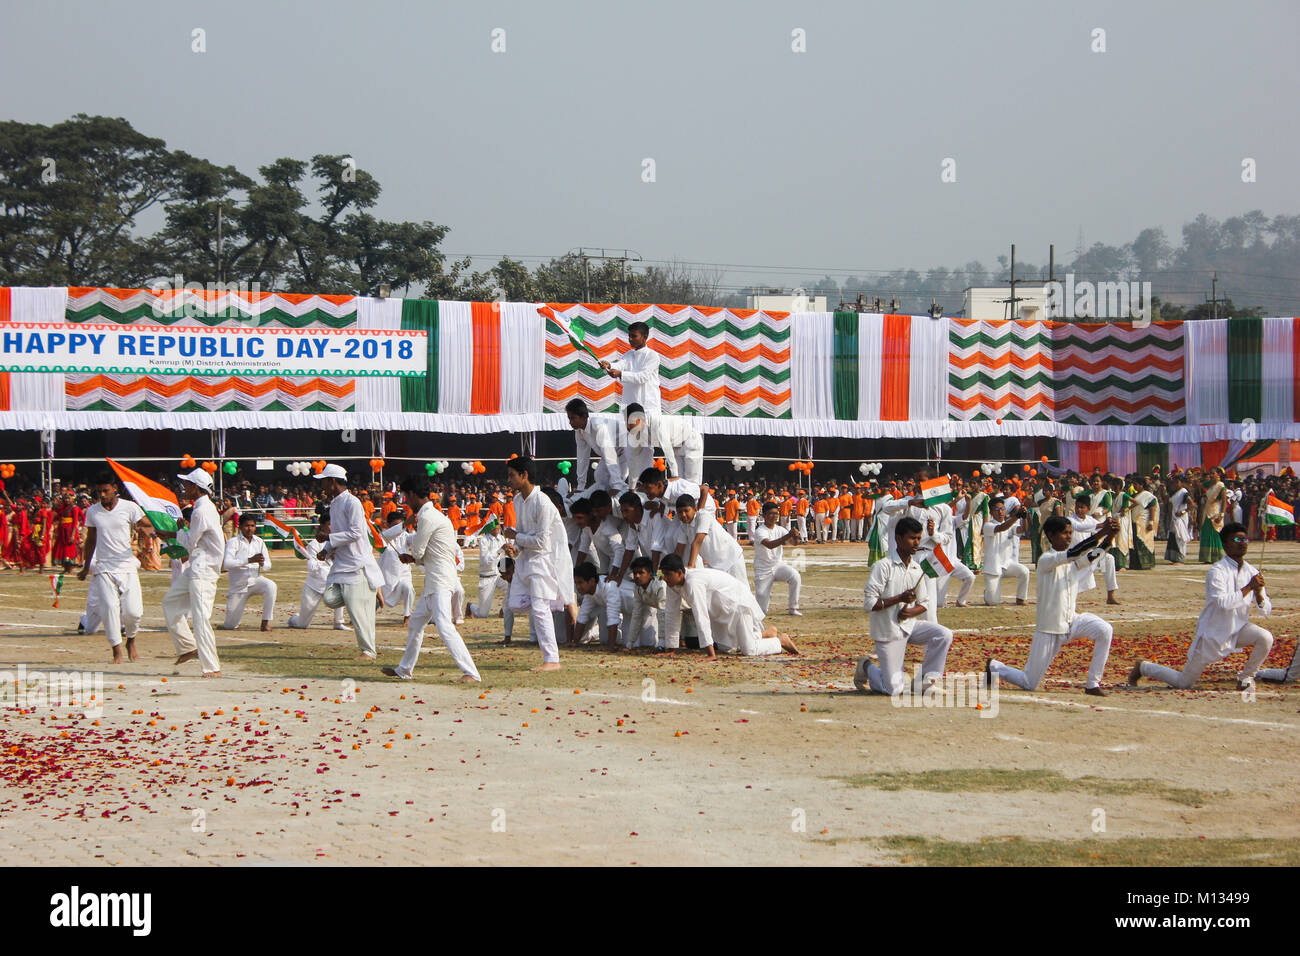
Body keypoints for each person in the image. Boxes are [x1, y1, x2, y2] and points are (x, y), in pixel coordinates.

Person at [1129, 522, 1274, 690]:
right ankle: (1143, 667)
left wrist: (1258, 595)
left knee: (1265, 637)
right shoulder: (1217, 571)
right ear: (1225, 545)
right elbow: (1222, 604)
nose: (1242, 543)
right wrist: (1249, 588)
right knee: (1183, 682)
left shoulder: (1252, 572)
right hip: (1213, 634)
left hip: (1238, 630)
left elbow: (1266, 611)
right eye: (1236, 539)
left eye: (1244, 539)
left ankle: (1245, 678)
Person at [987, 515, 1118, 697]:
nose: (1069, 537)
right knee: (1029, 683)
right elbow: (1075, 552)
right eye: (1064, 533)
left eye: (1070, 533)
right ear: (1051, 535)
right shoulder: (1046, 560)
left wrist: (1110, 537)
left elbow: (1089, 557)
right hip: (1050, 628)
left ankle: (1092, 684)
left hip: (1072, 621)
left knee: (1105, 630)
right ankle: (995, 667)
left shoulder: (1070, 561)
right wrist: (1103, 532)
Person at [382, 478, 481, 683]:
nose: (405, 501)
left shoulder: (427, 517)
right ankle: (404, 669)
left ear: (413, 495)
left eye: (406, 496)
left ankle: (471, 673)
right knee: (416, 623)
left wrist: (410, 556)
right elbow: (423, 553)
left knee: (444, 625)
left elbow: (418, 551)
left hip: (440, 580)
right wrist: (411, 555)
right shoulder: (432, 514)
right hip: (436, 579)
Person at [852, 516, 954, 695]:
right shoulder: (883, 566)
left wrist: (909, 613)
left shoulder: (917, 568)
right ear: (898, 539)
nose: (916, 542)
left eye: (918, 538)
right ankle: (867, 666)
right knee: (893, 689)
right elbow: (869, 604)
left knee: (943, 634)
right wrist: (899, 598)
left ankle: (925, 681)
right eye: (912, 538)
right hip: (887, 631)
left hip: (909, 626)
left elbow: (924, 603)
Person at [502, 456, 573, 671]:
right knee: (514, 604)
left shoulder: (542, 502)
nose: (509, 480)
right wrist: (517, 547)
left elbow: (542, 541)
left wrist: (516, 537)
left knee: (540, 609)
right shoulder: (517, 500)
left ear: (524, 475)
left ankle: (552, 660)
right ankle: (550, 602)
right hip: (526, 560)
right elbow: (526, 535)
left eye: (512, 475)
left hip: (542, 561)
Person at [659, 553, 798, 659]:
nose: (665, 578)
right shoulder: (673, 584)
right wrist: (670, 649)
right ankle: (764, 634)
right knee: (728, 648)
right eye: (663, 574)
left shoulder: (693, 582)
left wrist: (711, 655)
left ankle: (780, 640)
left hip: (738, 604)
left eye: (668, 574)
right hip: (722, 610)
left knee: (749, 650)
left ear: (679, 572)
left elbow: (701, 615)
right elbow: (671, 614)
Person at [79, 470, 152, 663]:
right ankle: (116, 649)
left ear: (114, 489)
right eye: (99, 492)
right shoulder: (93, 512)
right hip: (103, 567)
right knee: (110, 608)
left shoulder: (130, 508)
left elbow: (148, 524)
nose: (102, 495)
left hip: (127, 566)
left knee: (134, 611)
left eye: (105, 491)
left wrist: (152, 526)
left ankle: (131, 641)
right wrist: (86, 567)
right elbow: (91, 541)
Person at [159, 468, 226, 677]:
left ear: (196, 488)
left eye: (188, 485)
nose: (185, 488)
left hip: (203, 570)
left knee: (201, 618)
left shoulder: (201, 510)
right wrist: (178, 531)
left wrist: (177, 530)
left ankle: (212, 667)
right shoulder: (202, 507)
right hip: (197, 567)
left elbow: (188, 543)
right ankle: (188, 647)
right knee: (170, 602)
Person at [317, 465, 383, 661]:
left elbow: (356, 533)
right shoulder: (336, 503)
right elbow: (339, 534)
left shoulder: (352, 502)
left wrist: (329, 537)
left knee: (356, 611)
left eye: (324, 480)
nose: (322, 485)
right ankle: (367, 600)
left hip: (356, 562)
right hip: (342, 562)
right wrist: (327, 550)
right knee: (330, 598)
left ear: (333, 481)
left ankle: (368, 651)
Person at [219, 513, 277, 632]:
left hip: (255, 580)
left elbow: (268, 566)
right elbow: (227, 564)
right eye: (246, 526)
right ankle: (231, 621)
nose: (250, 528)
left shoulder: (259, 542)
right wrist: (249, 560)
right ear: (240, 527)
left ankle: (265, 622)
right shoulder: (233, 542)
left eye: (252, 525)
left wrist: (262, 564)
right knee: (230, 625)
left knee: (271, 586)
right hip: (238, 585)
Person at [287, 517, 347, 630]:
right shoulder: (313, 545)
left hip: (331, 582)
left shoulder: (338, 542)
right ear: (323, 526)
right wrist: (323, 560)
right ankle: (294, 618)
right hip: (314, 586)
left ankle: (338, 622)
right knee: (302, 624)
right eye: (329, 524)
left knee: (342, 587)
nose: (332, 527)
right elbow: (312, 568)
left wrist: (334, 559)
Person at [671, 494, 747, 582]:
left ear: (695, 509)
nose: (683, 515)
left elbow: (697, 542)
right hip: (715, 565)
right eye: (680, 512)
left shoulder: (703, 516)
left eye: (686, 511)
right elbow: (679, 550)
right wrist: (672, 567)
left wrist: (690, 567)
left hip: (732, 558)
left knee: (742, 591)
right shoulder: (683, 527)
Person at [625, 404, 703, 484]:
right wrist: (632, 487)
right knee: (681, 483)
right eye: (626, 422)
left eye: (629, 422)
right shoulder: (636, 433)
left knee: (693, 482)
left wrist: (674, 475)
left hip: (691, 441)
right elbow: (634, 458)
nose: (627, 427)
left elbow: (667, 448)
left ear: (640, 419)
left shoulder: (656, 422)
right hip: (676, 447)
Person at [566, 398, 629, 496]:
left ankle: (624, 494)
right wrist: (580, 487)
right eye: (569, 418)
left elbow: (609, 454)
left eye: (573, 418)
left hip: (626, 451)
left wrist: (616, 486)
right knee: (599, 476)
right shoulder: (579, 432)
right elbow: (582, 459)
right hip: (611, 454)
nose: (570, 422)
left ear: (584, 416)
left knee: (617, 483)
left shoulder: (598, 426)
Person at [750, 501, 802, 616]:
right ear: (764, 515)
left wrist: (795, 535)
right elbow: (770, 545)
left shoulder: (780, 529)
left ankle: (793, 608)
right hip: (763, 569)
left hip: (778, 565)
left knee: (795, 576)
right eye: (770, 513)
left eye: (776, 513)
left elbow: (794, 544)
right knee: (762, 609)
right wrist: (789, 535)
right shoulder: (760, 531)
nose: (774, 516)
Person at [599, 319, 661, 417]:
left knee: (648, 432)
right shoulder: (629, 354)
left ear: (644, 337)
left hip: (648, 407)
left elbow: (642, 377)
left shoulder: (652, 356)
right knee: (629, 432)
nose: (630, 339)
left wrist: (620, 374)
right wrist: (608, 365)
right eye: (629, 336)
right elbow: (619, 365)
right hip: (629, 405)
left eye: (634, 336)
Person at [1068, 495, 1120, 604]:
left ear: (1088, 509)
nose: (1079, 510)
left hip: (1089, 554)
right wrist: (1102, 525)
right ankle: (1069, 596)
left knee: (1108, 558)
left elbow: (1101, 531)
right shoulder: (1070, 520)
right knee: (1073, 583)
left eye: (1082, 507)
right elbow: (1079, 527)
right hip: (1074, 555)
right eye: (1077, 507)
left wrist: (1111, 527)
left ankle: (1111, 595)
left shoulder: (1091, 520)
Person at [982, 498, 1030, 606]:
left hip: (1007, 565)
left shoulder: (1010, 525)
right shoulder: (988, 526)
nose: (1000, 512)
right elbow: (1001, 528)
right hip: (993, 568)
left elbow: (1022, 529)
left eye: (1002, 509)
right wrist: (1016, 516)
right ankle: (988, 593)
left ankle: (1021, 598)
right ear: (991, 512)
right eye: (997, 509)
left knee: (1024, 571)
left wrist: (1024, 517)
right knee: (993, 602)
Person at [572, 560, 623, 647]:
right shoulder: (589, 592)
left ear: (591, 581)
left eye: (580, 583)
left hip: (641, 609)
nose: (577, 587)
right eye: (576, 583)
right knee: (604, 640)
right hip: (627, 613)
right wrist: (574, 643)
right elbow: (582, 617)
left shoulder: (608, 586)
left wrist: (610, 647)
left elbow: (613, 619)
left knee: (645, 643)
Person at [377, 510, 414, 625]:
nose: (399, 529)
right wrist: (403, 525)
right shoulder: (383, 537)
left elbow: (416, 539)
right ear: (388, 525)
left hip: (403, 576)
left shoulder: (406, 536)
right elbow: (389, 534)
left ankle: (407, 616)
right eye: (395, 526)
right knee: (374, 600)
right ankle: (361, 617)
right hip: (385, 578)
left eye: (400, 525)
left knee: (408, 587)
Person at [467, 517, 506, 620]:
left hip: (499, 574)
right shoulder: (484, 540)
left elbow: (503, 558)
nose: (497, 528)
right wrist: (499, 551)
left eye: (498, 526)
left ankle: (505, 609)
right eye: (495, 526)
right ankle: (470, 607)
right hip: (487, 576)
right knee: (482, 614)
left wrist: (504, 571)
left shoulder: (501, 538)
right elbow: (486, 560)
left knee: (513, 587)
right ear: (489, 528)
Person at [626, 556, 667, 650]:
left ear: (650, 574)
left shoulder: (660, 586)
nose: (637, 576)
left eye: (641, 573)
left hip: (686, 605)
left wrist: (661, 645)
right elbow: (636, 614)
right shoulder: (637, 589)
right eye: (635, 573)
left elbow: (662, 615)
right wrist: (630, 644)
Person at [1199, 469, 1227, 563]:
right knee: (1206, 533)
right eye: (1210, 473)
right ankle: (1207, 557)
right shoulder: (1209, 485)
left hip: (1215, 512)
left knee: (1215, 534)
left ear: (1218, 474)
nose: (1211, 475)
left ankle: (1217, 557)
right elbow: (1199, 485)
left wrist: (1221, 515)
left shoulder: (1220, 486)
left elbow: (1224, 501)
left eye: (1213, 473)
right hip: (1207, 511)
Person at [1165, 474, 1192, 563]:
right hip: (1174, 518)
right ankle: (1174, 557)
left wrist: (1183, 512)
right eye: (1173, 483)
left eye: (1177, 482)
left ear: (1181, 482)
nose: (1175, 484)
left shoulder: (1184, 492)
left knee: (1180, 537)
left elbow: (1191, 504)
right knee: (1174, 536)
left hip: (1181, 518)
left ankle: (1180, 558)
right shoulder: (1175, 493)